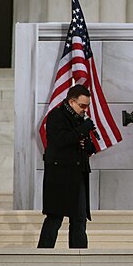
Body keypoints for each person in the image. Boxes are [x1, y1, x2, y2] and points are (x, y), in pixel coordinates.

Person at [37, 84, 97, 248]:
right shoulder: (56, 116)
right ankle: (43, 256)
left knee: (79, 218)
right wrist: (80, 131)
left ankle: (79, 258)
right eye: (82, 105)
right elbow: (60, 141)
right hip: (60, 176)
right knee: (55, 217)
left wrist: (88, 141)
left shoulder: (80, 120)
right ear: (71, 101)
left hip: (78, 174)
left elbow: (90, 147)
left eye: (87, 106)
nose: (85, 110)